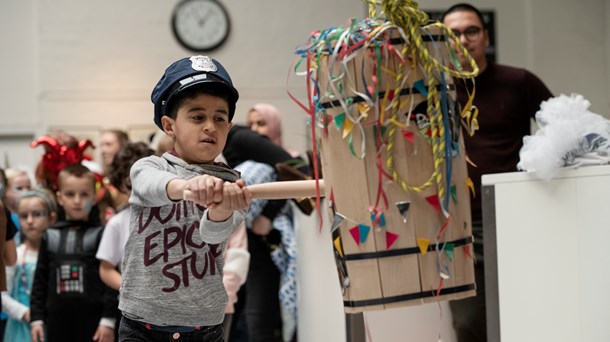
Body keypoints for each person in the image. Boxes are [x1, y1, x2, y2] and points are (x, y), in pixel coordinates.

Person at [117, 55, 252, 342]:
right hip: (141, 324)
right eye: (197, 116)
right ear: (169, 125)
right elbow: (150, 185)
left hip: (203, 327)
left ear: (228, 128)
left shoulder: (232, 185)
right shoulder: (150, 167)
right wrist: (186, 187)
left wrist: (221, 210)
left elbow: (213, 235)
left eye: (219, 118)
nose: (210, 126)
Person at [441, 4, 553, 342]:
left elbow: (565, 131)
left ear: (486, 36)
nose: (463, 40)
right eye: (453, 34)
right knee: (468, 323)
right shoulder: (431, 92)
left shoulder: (518, 81)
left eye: (471, 31)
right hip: (460, 224)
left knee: (527, 314)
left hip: (518, 218)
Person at [30, 163, 117, 342]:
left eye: (84, 194)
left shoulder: (102, 233)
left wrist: (108, 320)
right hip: (56, 323)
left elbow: (111, 281)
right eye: (70, 194)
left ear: (94, 198)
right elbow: (40, 280)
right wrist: (36, 318)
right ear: (60, 198)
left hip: (95, 324)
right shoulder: (50, 235)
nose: (77, 201)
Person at [96, 142, 155, 338]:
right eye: (130, 183)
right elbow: (105, 268)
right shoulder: (117, 222)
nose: (137, 189)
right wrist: (129, 286)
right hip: (133, 312)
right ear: (120, 183)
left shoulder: (171, 216)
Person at [2, 189, 57, 342]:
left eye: (37, 214)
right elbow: (2, 295)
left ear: (51, 218)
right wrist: (26, 313)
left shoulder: (56, 255)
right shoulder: (16, 255)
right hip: (21, 329)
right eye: (24, 216)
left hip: (51, 323)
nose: (30, 221)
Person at [99, 129, 131, 212]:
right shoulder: (102, 175)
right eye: (101, 145)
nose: (103, 150)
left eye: (108, 144)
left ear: (122, 146)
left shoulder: (130, 177)